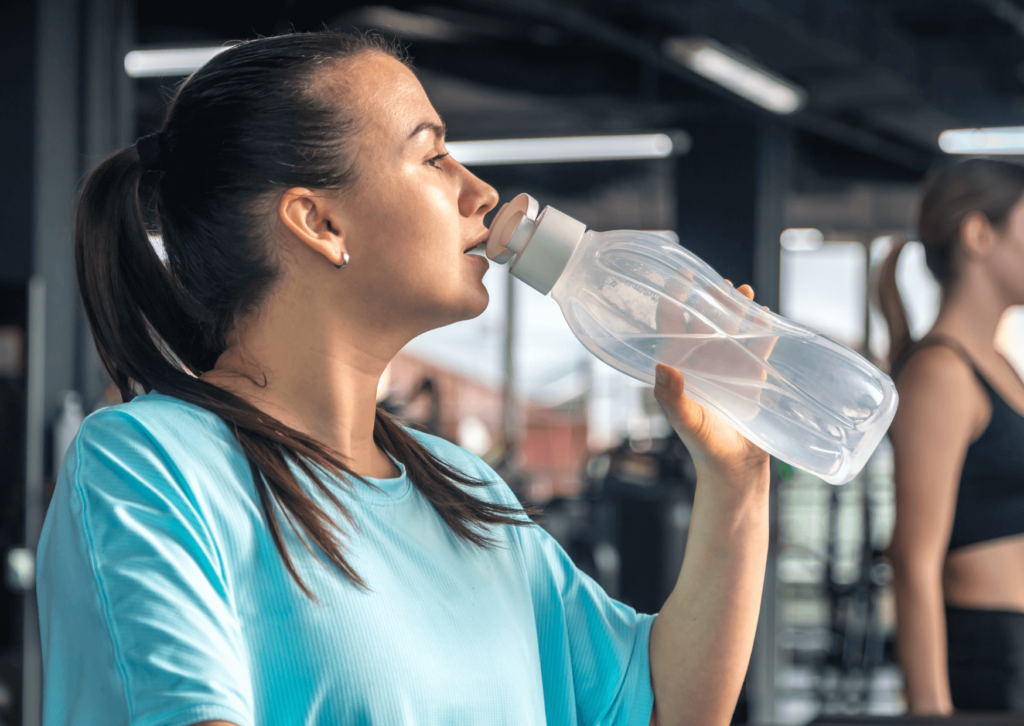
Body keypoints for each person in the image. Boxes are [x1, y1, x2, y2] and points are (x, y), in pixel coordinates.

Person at [37, 32, 771, 726]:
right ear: (320, 223)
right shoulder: (151, 461)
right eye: (434, 156)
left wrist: (737, 479)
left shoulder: (464, 489)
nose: (480, 193)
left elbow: (661, 709)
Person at [881, 158, 1024, 713]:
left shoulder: (999, 366)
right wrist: (931, 715)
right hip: (991, 657)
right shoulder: (941, 372)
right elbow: (912, 561)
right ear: (979, 234)